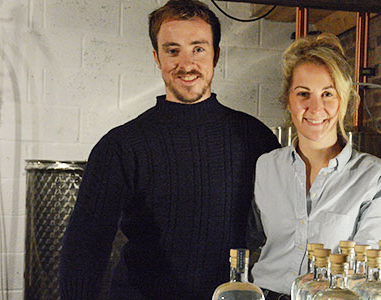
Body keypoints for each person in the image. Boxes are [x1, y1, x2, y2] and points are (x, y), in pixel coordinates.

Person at [58, 1, 280, 299]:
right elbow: (85, 245)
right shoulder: (121, 146)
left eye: (198, 49)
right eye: (172, 50)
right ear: (157, 57)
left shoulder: (255, 139)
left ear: (216, 55)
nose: (186, 64)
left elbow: (286, 232)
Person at [249, 33, 381, 299]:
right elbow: (252, 243)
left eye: (327, 94)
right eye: (303, 94)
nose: (316, 107)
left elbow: (370, 262)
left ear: (343, 102)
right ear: (289, 100)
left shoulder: (376, 176)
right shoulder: (266, 166)